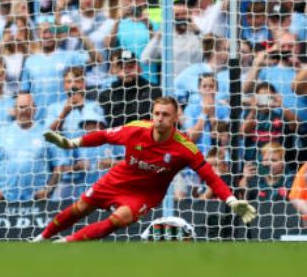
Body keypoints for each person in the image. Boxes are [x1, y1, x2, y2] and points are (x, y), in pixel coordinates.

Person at [36, 96, 257, 242]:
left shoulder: (185, 148)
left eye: (166, 114)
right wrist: (71, 143)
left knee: (118, 220)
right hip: (117, 179)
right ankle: (40, 239)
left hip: (145, 194)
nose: (160, 118)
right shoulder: (136, 129)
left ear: (175, 118)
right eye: (157, 113)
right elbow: (103, 135)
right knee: (79, 208)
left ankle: (64, 244)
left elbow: (211, 178)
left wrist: (231, 200)